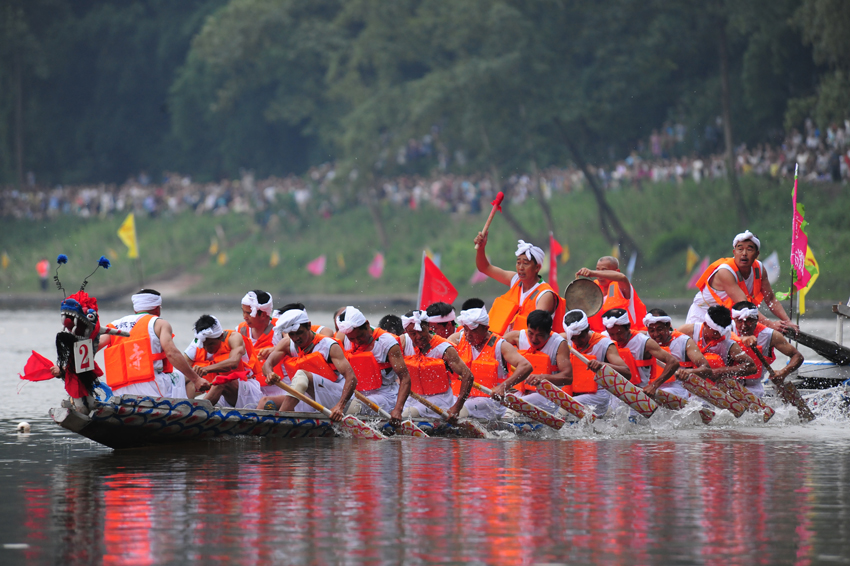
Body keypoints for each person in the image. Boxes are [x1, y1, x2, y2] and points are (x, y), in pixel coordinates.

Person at [98, 289, 208, 399]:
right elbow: (171, 353)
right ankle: (186, 410)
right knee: (191, 375)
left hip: (118, 391)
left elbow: (93, 347)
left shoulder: (114, 326)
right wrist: (197, 379)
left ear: (135, 308)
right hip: (151, 389)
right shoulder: (159, 323)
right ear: (157, 308)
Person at [686, 230, 796, 333]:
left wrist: (787, 321)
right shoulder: (725, 272)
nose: (744, 253)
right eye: (740, 249)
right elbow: (745, 306)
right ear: (734, 252)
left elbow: (770, 299)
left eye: (749, 249)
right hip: (703, 315)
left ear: (757, 254)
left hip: (730, 318)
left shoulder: (760, 269)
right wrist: (771, 325)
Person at [259, 308, 356, 422]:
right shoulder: (287, 344)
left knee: (301, 375)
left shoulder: (329, 346)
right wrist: (269, 374)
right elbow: (267, 364)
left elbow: (351, 378)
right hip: (310, 396)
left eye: (299, 332)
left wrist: (340, 406)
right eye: (292, 334)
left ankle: (280, 419)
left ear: (309, 326)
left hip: (334, 397)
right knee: (265, 401)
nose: (296, 338)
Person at [448, 306, 532, 419]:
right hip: (460, 398)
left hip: (490, 401)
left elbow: (526, 366)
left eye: (473, 330)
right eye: (466, 329)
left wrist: (503, 387)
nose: (468, 334)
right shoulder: (457, 339)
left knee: (461, 408)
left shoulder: (500, 345)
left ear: (485, 328)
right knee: (447, 404)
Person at [472, 236, 565, 334]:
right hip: (510, 343)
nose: (520, 268)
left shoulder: (545, 295)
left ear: (537, 267)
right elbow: (485, 268)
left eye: (525, 263)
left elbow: (536, 330)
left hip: (533, 346)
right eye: (518, 263)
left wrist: (508, 340)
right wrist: (481, 249)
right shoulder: (515, 280)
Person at [337, 306, 410, 426]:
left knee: (355, 406)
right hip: (356, 393)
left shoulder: (388, 343)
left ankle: (342, 433)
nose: (357, 341)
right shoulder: (344, 336)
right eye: (352, 338)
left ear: (366, 324)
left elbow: (405, 378)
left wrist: (398, 410)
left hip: (384, 395)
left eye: (360, 336)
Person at [400, 310, 473, 423]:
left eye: (421, 331)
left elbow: (468, 376)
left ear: (429, 326)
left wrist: (457, 407)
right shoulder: (403, 342)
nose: (418, 337)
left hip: (439, 400)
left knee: (408, 413)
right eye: (413, 333)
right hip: (411, 398)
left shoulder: (444, 348)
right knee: (401, 412)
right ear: (406, 332)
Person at [560, 309, 632, 417]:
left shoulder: (604, 344)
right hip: (576, 393)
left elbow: (627, 372)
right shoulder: (566, 340)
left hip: (599, 395)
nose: (577, 341)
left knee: (563, 407)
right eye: (574, 338)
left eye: (581, 337)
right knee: (555, 405)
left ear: (588, 328)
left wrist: (602, 365)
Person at [502, 310, 573, 416]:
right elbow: (494, 347)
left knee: (512, 406)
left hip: (547, 396)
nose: (533, 339)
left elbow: (568, 377)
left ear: (549, 332)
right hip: (521, 393)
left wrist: (543, 378)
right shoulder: (516, 337)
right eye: (530, 333)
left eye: (539, 335)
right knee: (497, 403)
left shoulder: (559, 344)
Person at [184, 314, 261, 409]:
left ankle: (198, 410)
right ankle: (184, 408)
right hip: (220, 394)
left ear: (220, 336)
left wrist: (206, 369)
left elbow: (233, 363)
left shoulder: (234, 337)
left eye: (211, 344)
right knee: (187, 377)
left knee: (221, 381)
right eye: (204, 345)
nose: (207, 348)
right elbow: (184, 370)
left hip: (248, 392)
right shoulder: (197, 344)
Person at [731, 300, 804, 397]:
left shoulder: (771, 335)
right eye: (739, 321)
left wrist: (784, 372)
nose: (744, 326)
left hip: (753, 389)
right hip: (727, 385)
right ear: (734, 319)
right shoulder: (726, 330)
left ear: (756, 319)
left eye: (749, 320)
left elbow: (798, 356)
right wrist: (740, 339)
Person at [599, 308, 679, 389]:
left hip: (638, 390)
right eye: (612, 334)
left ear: (628, 326)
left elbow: (673, 362)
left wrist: (654, 385)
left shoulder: (644, 342)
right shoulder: (604, 338)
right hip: (613, 391)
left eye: (619, 333)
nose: (616, 337)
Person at [642, 309, 712, 400]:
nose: (656, 334)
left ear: (667, 326)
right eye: (651, 330)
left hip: (677, 389)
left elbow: (707, 369)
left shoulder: (684, 341)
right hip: (649, 387)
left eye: (659, 329)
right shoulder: (644, 340)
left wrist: (689, 372)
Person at [677, 305, 756, 381]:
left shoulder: (728, 343)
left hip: (715, 383)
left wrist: (720, 371)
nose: (718, 336)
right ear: (705, 324)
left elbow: (752, 367)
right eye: (715, 332)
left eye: (721, 333)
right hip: (684, 377)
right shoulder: (687, 331)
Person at [576, 255, 647, 332]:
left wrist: (594, 273)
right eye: (597, 270)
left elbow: (622, 277)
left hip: (630, 336)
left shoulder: (622, 286)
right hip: (601, 339)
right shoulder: (593, 288)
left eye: (604, 270)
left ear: (617, 272)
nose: (599, 275)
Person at [237, 290, 278, 396]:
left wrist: (275, 349)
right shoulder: (240, 330)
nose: (244, 317)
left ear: (263, 315)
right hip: (251, 388)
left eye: (249, 313)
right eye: (243, 312)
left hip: (277, 388)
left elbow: (294, 344)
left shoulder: (280, 329)